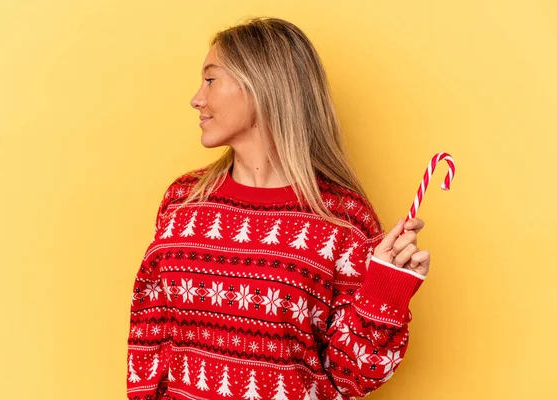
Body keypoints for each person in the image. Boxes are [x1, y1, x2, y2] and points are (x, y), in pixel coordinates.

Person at [126, 17, 430, 400]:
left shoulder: (343, 220)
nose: (196, 98)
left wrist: (387, 292)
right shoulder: (182, 202)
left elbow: (352, 378)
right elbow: (149, 337)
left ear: (261, 86)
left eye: (210, 79)